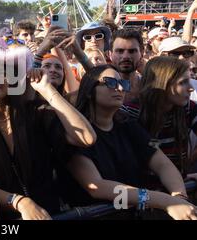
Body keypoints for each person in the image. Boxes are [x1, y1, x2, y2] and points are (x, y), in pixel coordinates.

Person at [0, 44, 96, 220]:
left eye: (3, 72)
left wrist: (47, 90)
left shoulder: (36, 113)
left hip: (49, 214)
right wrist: (21, 203)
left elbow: (87, 138)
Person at [57, 65, 197, 220]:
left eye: (123, 84)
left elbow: (162, 164)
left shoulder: (127, 125)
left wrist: (179, 198)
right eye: (110, 82)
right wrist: (163, 201)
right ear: (90, 89)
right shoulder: (75, 132)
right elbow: (97, 188)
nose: (119, 88)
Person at [123, 57, 197, 177]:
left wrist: (189, 169)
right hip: (140, 191)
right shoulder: (131, 112)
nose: (191, 88)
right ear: (162, 84)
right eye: (183, 82)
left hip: (178, 186)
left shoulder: (188, 108)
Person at [110, 29, 144, 103]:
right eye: (120, 51)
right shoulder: (102, 89)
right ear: (110, 54)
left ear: (142, 53)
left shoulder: (149, 87)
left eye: (132, 51)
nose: (126, 56)